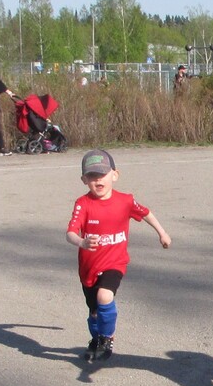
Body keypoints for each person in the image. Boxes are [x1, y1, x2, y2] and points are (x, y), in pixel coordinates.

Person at [66, 149, 172, 362]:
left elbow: (146, 213)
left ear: (115, 175)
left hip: (115, 262)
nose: (98, 180)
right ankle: (96, 339)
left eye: (102, 174)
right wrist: (82, 242)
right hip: (89, 267)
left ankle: (107, 339)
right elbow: (70, 233)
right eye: (92, 176)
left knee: (105, 296)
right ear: (84, 180)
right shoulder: (83, 203)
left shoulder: (125, 201)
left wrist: (162, 233)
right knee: (94, 312)